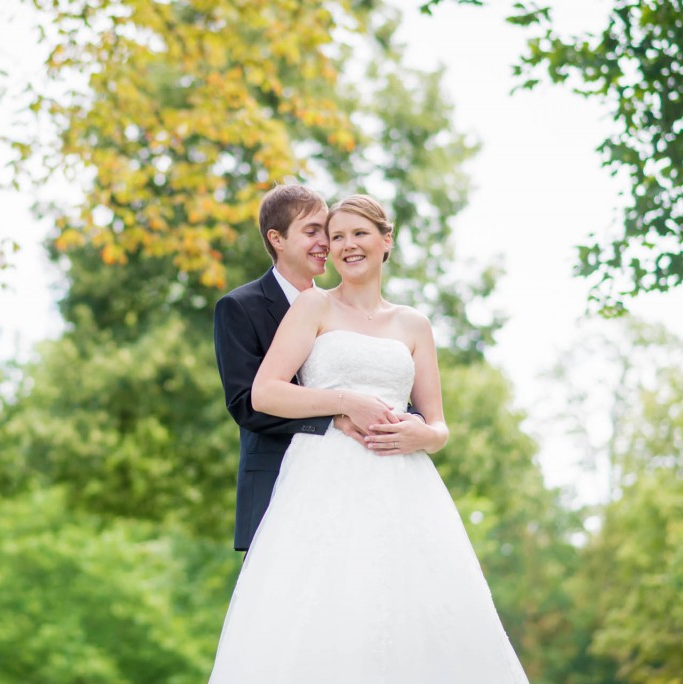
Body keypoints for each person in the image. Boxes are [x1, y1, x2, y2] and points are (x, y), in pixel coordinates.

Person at [208, 195, 529, 683]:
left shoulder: (414, 324)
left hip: (404, 482)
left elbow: (439, 426)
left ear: (386, 241)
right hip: (323, 477)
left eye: (357, 234)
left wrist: (422, 434)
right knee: (324, 605)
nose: (343, 245)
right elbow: (263, 394)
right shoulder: (314, 304)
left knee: (416, 608)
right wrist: (344, 403)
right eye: (335, 236)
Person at [213, 184, 430, 553]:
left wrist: (406, 425)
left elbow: (372, 375)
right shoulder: (240, 307)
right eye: (313, 232)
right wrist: (337, 415)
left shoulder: (343, 307)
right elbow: (246, 403)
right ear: (276, 239)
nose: (326, 244)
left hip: (374, 477)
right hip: (282, 478)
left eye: (326, 233)